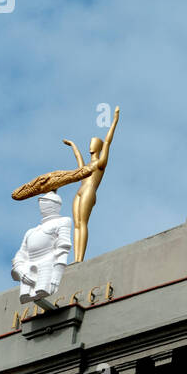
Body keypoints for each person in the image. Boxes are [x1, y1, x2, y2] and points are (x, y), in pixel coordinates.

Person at [63, 106, 119, 262]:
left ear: (98, 147)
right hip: (80, 192)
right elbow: (77, 159)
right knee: (76, 224)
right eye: (90, 143)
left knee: (83, 223)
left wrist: (114, 120)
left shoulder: (100, 164)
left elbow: (108, 141)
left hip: (89, 192)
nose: (90, 145)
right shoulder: (86, 167)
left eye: (93, 143)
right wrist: (73, 145)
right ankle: (76, 259)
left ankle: (80, 259)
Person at [11, 192, 72, 304]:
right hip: (28, 270)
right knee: (26, 295)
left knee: (42, 290)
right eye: (41, 204)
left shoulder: (63, 221)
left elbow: (63, 247)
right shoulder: (30, 231)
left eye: (45, 203)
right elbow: (21, 254)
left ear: (55, 205)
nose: (42, 207)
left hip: (47, 264)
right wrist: (21, 271)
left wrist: (57, 273)